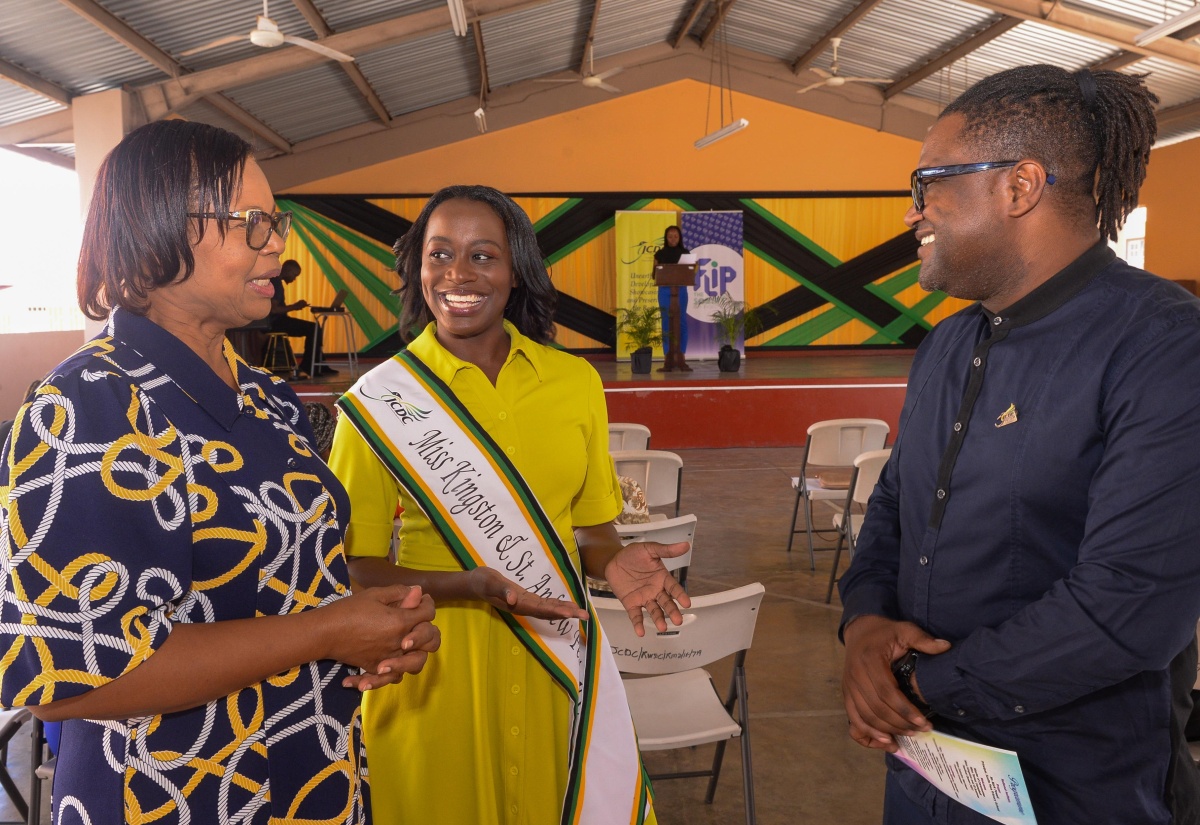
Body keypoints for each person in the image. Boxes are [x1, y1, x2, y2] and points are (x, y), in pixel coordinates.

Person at [0, 120, 440, 825]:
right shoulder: (88, 406)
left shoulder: (265, 398)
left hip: (309, 775)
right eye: (250, 223)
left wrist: (384, 627)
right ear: (157, 230)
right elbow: (65, 680)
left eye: (276, 221)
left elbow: (294, 583)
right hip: (169, 796)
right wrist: (327, 633)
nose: (276, 243)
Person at [838, 64, 1200, 825]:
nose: (915, 213)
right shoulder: (944, 344)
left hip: (1078, 784)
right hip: (924, 768)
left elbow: (1128, 606)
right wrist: (866, 623)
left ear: (1019, 186)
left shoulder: (1163, 344)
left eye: (929, 183)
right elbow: (898, 504)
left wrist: (913, 682)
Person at [328, 184, 691, 825]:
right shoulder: (378, 402)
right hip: (433, 667)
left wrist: (613, 561)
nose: (458, 275)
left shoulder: (573, 382)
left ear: (516, 268)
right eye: (439, 254)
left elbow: (594, 531)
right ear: (418, 269)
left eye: (483, 256)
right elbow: (351, 568)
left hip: (555, 660)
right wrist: (468, 584)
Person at [270, 258, 335, 376]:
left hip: (278, 321)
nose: (294, 279)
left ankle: (318, 364)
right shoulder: (275, 283)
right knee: (313, 328)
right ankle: (310, 365)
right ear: (287, 269)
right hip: (275, 322)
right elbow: (273, 310)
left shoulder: (276, 282)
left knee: (314, 328)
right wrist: (294, 306)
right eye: (294, 275)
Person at [654, 224, 690, 356]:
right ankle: (667, 355)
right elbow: (655, 273)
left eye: (676, 236)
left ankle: (681, 354)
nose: (673, 239)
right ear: (666, 238)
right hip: (664, 290)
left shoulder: (686, 253)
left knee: (681, 321)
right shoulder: (660, 254)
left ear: (679, 237)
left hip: (680, 290)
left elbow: (690, 273)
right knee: (666, 321)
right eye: (670, 236)